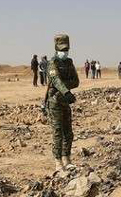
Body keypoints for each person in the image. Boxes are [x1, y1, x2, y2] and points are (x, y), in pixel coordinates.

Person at [45, 34, 79, 172]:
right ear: (56, 48)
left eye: (66, 50)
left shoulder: (69, 63)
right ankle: (58, 162)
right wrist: (66, 91)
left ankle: (67, 158)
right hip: (54, 102)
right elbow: (56, 80)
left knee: (68, 133)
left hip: (65, 102)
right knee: (58, 132)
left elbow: (76, 81)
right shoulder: (52, 64)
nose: (64, 53)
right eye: (62, 50)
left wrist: (64, 90)